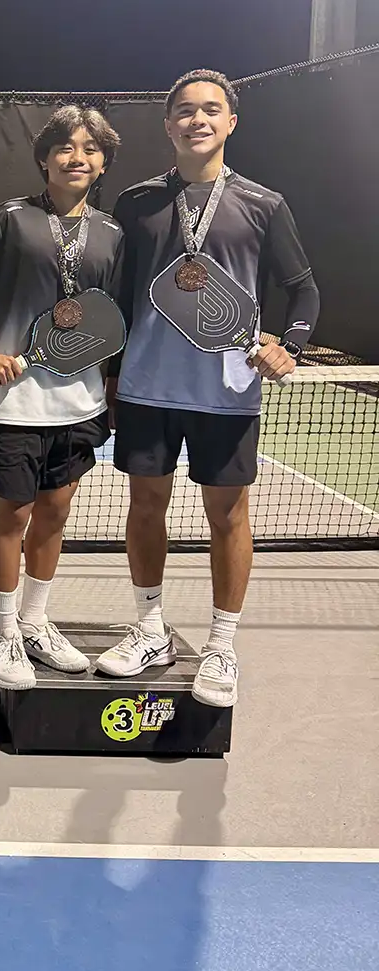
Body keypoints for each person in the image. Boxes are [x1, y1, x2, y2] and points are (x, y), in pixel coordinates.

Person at [101, 70, 319, 706]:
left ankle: (222, 644)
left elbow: (303, 290)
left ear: (230, 124)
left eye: (211, 110)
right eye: (186, 111)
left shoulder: (263, 205)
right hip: (146, 389)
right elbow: (117, 296)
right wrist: (110, 377)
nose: (198, 120)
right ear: (168, 124)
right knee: (146, 508)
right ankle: (149, 629)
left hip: (227, 393)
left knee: (227, 516)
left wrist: (289, 344)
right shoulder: (136, 203)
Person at [0, 106, 124, 687]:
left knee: (55, 514)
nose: (78, 157)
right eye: (66, 147)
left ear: (102, 163)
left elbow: (111, 319)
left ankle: (37, 622)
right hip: (15, 404)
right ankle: (5, 631)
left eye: (90, 149)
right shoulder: (10, 218)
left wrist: (113, 391)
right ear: (44, 158)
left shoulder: (113, 234)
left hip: (82, 405)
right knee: (12, 516)